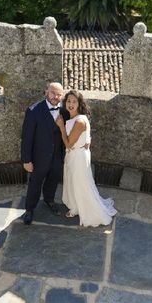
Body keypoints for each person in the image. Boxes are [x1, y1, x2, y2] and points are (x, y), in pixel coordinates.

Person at [56, 90, 117, 227]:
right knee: (75, 182)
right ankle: (76, 206)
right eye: (68, 101)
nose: (70, 104)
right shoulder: (76, 118)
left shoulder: (79, 121)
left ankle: (90, 212)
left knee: (80, 184)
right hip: (75, 155)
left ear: (79, 104)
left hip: (77, 156)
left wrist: (60, 127)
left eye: (74, 101)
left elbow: (69, 144)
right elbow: (84, 135)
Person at [20, 82, 66, 225]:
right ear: (46, 91)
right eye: (53, 93)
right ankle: (29, 209)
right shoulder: (33, 111)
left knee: (53, 180)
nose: (55, 96)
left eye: (59, 94)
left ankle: (49, 200)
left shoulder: (64, 110)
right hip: (38, 157)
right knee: (35, 183)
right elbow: (26, 138)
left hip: (57, 156)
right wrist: (26, 160)